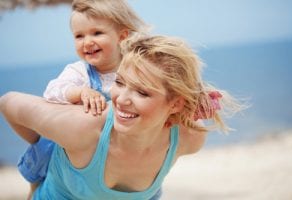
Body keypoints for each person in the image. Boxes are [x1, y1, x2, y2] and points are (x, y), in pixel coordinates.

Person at [0, 34, 242, 200]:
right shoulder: (83, 128)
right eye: (120, 82)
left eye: (142, 92)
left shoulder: (189, 138)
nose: (122, 99)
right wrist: (45, 145)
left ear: (176, 103)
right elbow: (8, 102)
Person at [17, 0, 148, 198]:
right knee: (47, 147)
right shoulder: (80, 72)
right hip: (76, 147)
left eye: (97, 33)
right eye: (79, 36)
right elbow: (52, 91)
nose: (87, 42)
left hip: (116, 144)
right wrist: (79, 92)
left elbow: (165, 82)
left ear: (122, 36)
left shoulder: (137, 67)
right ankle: (36, 185)